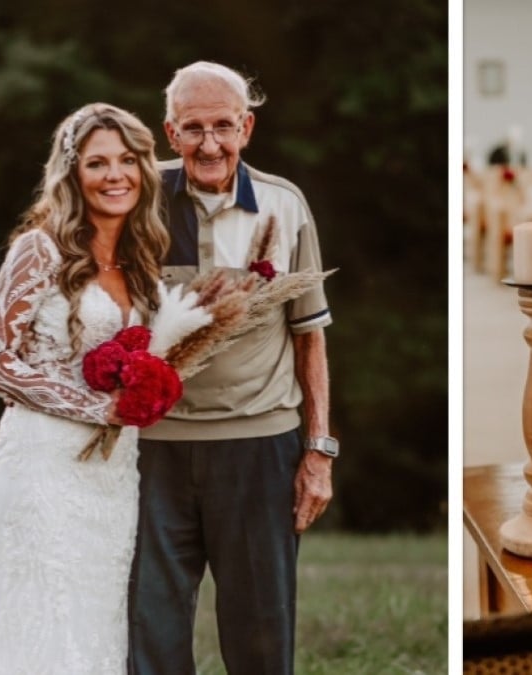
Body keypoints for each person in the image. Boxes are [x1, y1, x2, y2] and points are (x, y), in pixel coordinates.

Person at [128, 61, 335, 674]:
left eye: (223, 125)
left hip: (259, 446)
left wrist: (318, 451)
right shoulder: (136, 201)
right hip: (152, 451)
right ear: (170, 133)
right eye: (193, 128)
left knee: (261, 638)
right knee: (149, 633)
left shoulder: (284, 204)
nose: (209, 143)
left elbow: (310, 338)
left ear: (247, 127)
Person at [0, 102, 170, 672]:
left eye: (127, 160)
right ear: (72, 173)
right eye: (97, 163)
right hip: (41, 467)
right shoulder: (42, 248)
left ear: (144, 170)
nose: (115, 175)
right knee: (44, 623)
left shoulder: (141, 261)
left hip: (111, 477)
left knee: (95, 625)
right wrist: (95, 405)